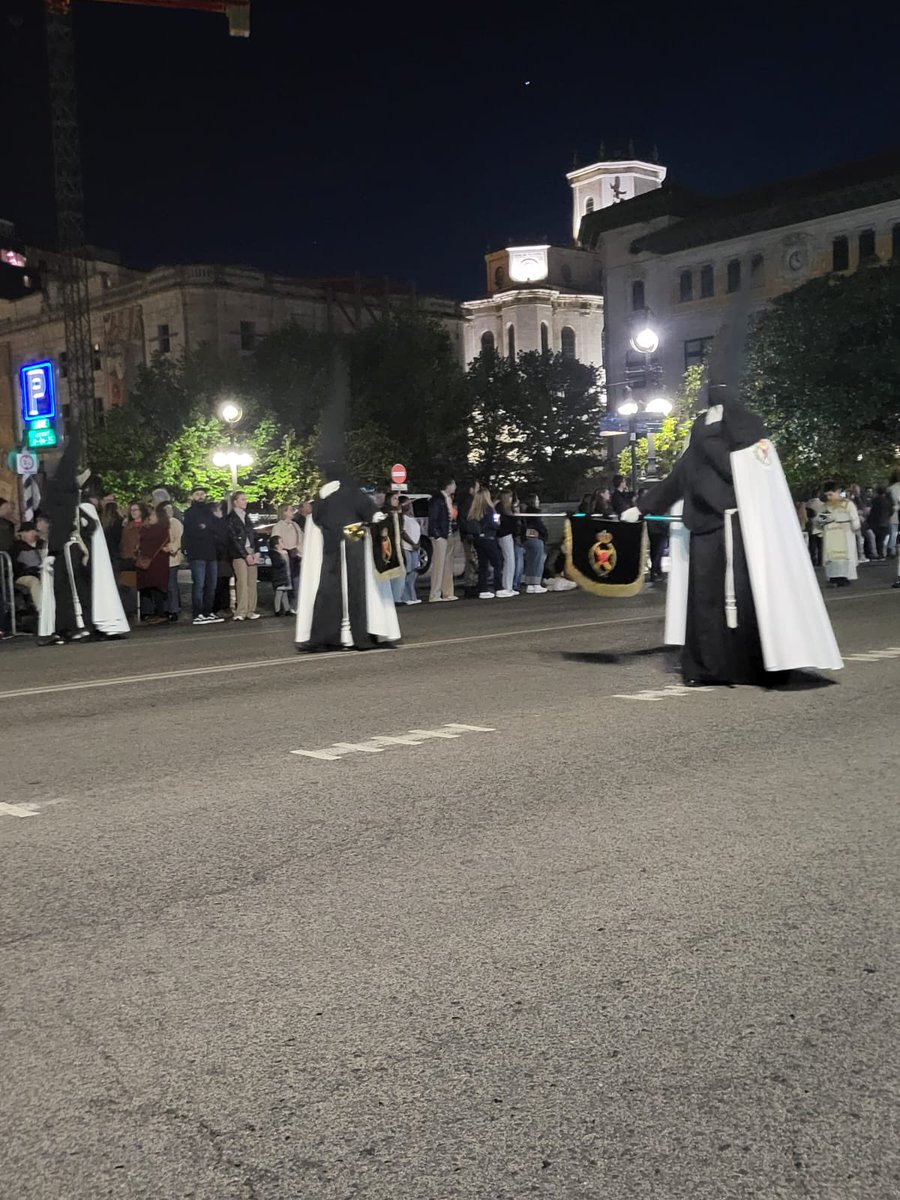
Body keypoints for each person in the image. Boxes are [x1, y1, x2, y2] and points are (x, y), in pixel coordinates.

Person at [623, 390, 841, 685]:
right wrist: (642, 507)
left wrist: (709, 438)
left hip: (744, 529)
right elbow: (677, 480)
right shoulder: (700, 441)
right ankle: (708, 667)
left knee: (749, 598)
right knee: (704, 602)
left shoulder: (748, 438)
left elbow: (740, 472)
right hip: (706, 529)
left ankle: (758, 665)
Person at [295, 463, 401, 651]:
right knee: (345, 587)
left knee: (350, 586)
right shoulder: (345, 492)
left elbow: (318, 518)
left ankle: (346, 636)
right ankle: (351, 636)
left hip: (342, 536)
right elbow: (364, 508)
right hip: (346, 536)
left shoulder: (339, 492)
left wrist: (320, 499)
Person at [181, 487, 224, 626]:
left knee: (211, 584)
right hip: (197, 554)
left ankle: (208, 611)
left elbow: (217, 528)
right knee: (199, 584)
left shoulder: (209, 512)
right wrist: (206, 528)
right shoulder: (189, 513)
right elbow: (192, 531)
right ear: (192, 496)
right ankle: (198, 613)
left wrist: (206, 527)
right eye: (197, 494)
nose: (200, 496)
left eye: (202, 494)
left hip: (211, 553)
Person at [467, 487, 515, 599]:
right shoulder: (489, 509)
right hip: (489, 538)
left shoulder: (474, 510)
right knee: (497, 562)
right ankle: (498, 587)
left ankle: (483, 589)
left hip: (478, 539)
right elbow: (495, 525)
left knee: (483, 564)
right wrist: (497, 522)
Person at [815, 484, 860, 587]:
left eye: (831, 494)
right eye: (827, 495)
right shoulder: (826, 507)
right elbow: (819, 522)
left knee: (845, 556)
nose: (829, 498)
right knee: (832, 557)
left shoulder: (848, 504)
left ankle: (845, 577)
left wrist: (854, 526)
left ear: (838, 492)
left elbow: (855, 519)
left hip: (845, 533)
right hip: (831, 534)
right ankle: (833, 577)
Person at [226, 491, 261, 621]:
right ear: (235, 502)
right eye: (242, 499)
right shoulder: (231, 518)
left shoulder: (247, 517)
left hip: (250, 550)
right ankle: (241, 610)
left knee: (252, 581)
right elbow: (233, 539)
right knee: (242, 582)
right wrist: (245, 555)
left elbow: (254, 535)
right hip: (239, 553)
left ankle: (251, 610)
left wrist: (256, 552)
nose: (245, 501)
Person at [137, 503, 171, 624]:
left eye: (153, 515)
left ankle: (161, 613)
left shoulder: (159, 529)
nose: (150, 517)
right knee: (151, 588)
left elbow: (146, 539)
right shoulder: (152, 528)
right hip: (152, 561)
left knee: (157, 588)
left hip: (156, 562)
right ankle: (156, 612)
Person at [427, 477, 459, 603]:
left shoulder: (448, 499)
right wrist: (437, 534)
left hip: (448, 533)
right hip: (441, 535)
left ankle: (447, 592)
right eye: (454, 485)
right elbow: (433, 518)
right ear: (449, 486)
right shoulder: (438, 500)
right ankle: (435, 594)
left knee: (448, 564)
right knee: (439, 565)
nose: (455, 487)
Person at [272, 502, 302, 609]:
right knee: (288, 584)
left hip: (296, 557)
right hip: (285, 558)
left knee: (297, 582)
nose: (292, 512)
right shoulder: (279, 526)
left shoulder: (295, 525)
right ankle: (286, 606)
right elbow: (275, 543)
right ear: (284, 512)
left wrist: (299, 551)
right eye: (290, 510)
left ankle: (296, 605)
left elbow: (301, 540)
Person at [118, 502, 145, 620]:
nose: (134, 512)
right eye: (132, 510)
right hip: (128, 559)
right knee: (127, 586)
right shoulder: (127, 527)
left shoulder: (146, 525)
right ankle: (129, 611)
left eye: (136, 510)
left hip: (142, 559)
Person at [12, 521, 43, 613]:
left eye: (33, 531)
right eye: (28, 531)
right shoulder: (17, 547)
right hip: (23, 575)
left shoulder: (42, 544)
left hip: (42, 572)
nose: (32, 533)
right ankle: (41, 608)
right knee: (34, 581)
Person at [399, 495, 422, 604]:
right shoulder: (401, 518)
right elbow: (403, 532)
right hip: (407, 547)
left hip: (414, 548)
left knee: (413, 573)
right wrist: (412, 543)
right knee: (407, 572)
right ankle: (406, 597)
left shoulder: (412, 518)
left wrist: (417, 543)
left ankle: (412, 596)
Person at [163, 501, 184, 622]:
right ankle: (167, 608)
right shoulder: (160, 523)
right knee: (164, 586)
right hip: (162, 559)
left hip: (172, 559)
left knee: (172, 585)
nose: (168, 512)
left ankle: (174, 609)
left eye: (170, 509)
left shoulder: (175, 523)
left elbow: (179, 538)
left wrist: (171, 547)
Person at [496, 489, 520, 593]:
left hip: (508, 535)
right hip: (504, 535)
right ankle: (507, 586)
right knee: (509, 560)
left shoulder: (507, 509)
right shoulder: (501, 509)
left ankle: (509, 586)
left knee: (511, 561)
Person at [268, 534, 293, 615]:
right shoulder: (275, 554)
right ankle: (277, 610)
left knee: (284, 593)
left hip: (285, 577)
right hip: (279, 577)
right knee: (279, 594)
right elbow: (277, 564)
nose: (283, 543)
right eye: (281, 541)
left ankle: (287, 609)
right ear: (276, 545)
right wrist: (282, 559)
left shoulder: (285, 553)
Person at [866, 486, 892, 560]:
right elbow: (891, 511)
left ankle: (877, 553)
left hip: (875, 522)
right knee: (882, 539)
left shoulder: (875, 500)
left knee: (877, 538)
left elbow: (872, 511)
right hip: (884, 522)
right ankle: (881, 554)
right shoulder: (887, 501)